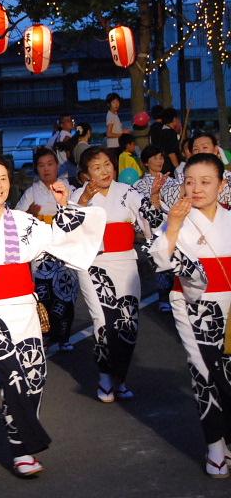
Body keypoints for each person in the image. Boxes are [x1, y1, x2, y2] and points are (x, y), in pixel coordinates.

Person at [0, 154, 105, 477]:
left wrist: (65, 207)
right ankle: (23, 447)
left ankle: (20, 439)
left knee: (34, 375)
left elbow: (62, 239)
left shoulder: (24, 221)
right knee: (12, 374)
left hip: (23, 304)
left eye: (3, 178)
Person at [148, 153, 231, 478]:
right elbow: (157, 258)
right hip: (192, 305)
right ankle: (214, 447)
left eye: (205, 181)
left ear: (221, 185)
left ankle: (224, 438)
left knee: (225, 375)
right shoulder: (177, 217)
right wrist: (176, 225)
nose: (196, 188)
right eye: (190, 181)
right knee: (202, 372)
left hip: (230, 306)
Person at [73, 147, 166, 403]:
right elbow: (67, 228)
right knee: (102, 322)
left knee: (128, 324)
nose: (104, 170)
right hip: (93, 265)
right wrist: (82, 203)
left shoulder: (128, 193)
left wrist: (155, 198)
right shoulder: (79, 196)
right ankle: (105, 376)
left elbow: (153, 220)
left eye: (107, 164)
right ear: (85, 174)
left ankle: (121, 378)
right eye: (96, 167)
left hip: (125, 262)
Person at [15, 148, 81, 352]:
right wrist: (29, 214)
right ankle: (45, 333)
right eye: (41, 165)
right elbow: (17, 220)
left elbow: (79, 216)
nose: (46, 169)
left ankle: (64, 337)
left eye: (50, 164)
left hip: (64, 249)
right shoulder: (31, 192)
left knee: (66, 293)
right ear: (36, 168)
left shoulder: (68, 187)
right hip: (41, 252)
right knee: (43, 296)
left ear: (57, 166)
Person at [133, 145, 178, 312]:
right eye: (155, 158)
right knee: (162, 265)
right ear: (146, 162)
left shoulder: (172, 181)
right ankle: (164, 296)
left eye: (161, 157)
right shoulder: (139, 184)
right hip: (155, 230)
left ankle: (177, 296)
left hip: (174, 227)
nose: (159, 161)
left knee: (177, 263)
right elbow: (141, 209)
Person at [190, 132, 231, 208]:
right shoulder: (183, 178)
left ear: (215, 150)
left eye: (205, 147)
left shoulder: (228, 177)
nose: (200, 152)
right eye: (195, 149)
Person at [152, 108, 180, 175]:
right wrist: (179, 169)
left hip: (158, 165)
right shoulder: (171, 133)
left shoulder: (157, 131)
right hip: (169, 168)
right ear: (174, 119)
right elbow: (171, 153)